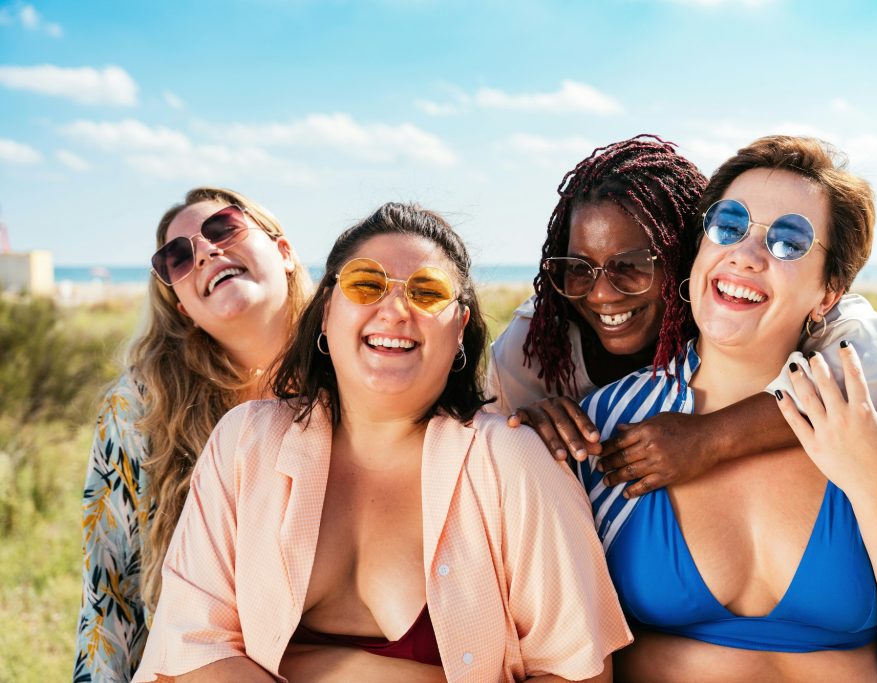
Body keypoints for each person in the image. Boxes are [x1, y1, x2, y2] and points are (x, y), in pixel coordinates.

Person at [572, 136, 877, 681]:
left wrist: (876, 481)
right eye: (728, 225)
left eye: (789, 242)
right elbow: (540, 633)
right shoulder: (608, 424)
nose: (745, 253)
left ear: (829, 292)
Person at [131, 203, 631, 682]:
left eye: (427, 292)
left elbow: (577, 671)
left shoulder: (512, 462)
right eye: (366, 284)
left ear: (460, 328)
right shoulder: (246, 441)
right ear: (326, 311)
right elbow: (192, 644)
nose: (394, 309)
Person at [488, 135, 877, 498]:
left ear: (682, 254)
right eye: (579, 268)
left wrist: (710, 437)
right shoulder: (533, 347)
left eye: (632, 266)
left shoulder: (744, 311)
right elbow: (481, 454)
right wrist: (519, 434)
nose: (602, 292)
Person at [74, 188, 312, 683]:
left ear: (284, 252)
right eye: (176, 258)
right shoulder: (140, 408)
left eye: (223, 227)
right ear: (182, 306)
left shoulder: (362, 370)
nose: (204, 251)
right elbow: (109, 590)